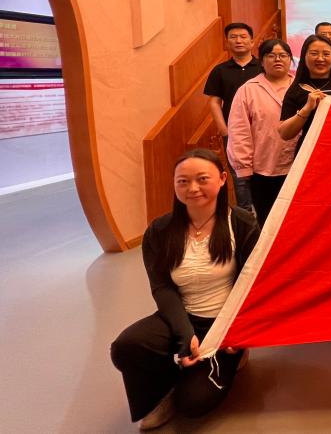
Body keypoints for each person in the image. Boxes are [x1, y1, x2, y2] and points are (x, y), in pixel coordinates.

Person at [110, 149, 260, 429]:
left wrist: (240, 331)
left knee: (193, 403)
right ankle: (161, 393)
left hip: (223, 324)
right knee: (127, 346)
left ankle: (236, 357)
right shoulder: (160, 230)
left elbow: (252, 282)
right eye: (183, 181)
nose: (193, 188)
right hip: (181, 316)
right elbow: (162, 287)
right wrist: (184, 336)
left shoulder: (241, 223)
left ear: (222, 179)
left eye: (202, 179)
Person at [227, 39, 298, 227]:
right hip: (263, 168)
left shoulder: (301, 87)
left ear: (290, 59)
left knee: (294, 221)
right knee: (267, 221)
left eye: (283, 55)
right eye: (271, 55)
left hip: (297, 167)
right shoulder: (248, 90)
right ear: (262, 60)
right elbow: (239, 131)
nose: (277, 59)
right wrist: (243, 166)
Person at [203, 22, 260, 213]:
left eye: (243, 37)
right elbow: (214, 102)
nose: (238, 40)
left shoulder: (263, 67)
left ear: (252, 42)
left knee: (263, 174)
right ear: (227, 42)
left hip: (261, 131)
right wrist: (224, 130)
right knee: (240, 179)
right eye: (233, 37)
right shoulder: (220, 70)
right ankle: (245, 218)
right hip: (234, 133)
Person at [279, 34, 331, 148]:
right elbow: (284, 133)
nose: (320, 58)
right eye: (314, 53)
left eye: (326, 54)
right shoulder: (297, 89)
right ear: (304, 56)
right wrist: (306, 109)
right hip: (309, 153)